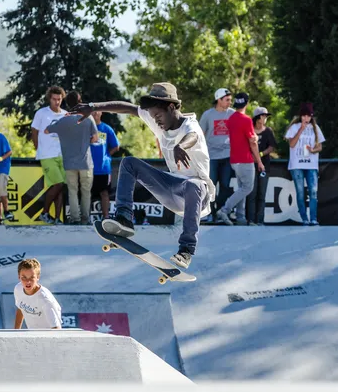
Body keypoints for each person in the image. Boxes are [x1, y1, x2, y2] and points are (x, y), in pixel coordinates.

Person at [72, 82, 215, 269]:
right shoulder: (159, 121)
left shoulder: (190, 126)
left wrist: (182, 146)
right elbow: (127, 108)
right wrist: (93, 107)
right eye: (153, 117)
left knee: (193, 185)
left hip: (198, 198)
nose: (156, 121)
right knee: (129, 163)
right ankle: (124, 218)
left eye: (158, 116)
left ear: (171, 107)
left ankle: (186, 250)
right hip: (173, 191)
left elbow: (193, 137)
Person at [45, 91, 98, 225]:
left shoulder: (64, 120)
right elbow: (95, 138)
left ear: (66, 103)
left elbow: (47, 130)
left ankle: (75, 218)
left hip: (69, 162)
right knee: (86, 192)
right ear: (80, 102)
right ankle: (85, 219)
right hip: (85, 162)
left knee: (72, 192)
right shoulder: (88, 118)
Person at [217, 92, 265, 226]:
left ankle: (240, 218)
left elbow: (242, 136)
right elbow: (252, 142)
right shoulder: (247, 120)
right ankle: (224, 210)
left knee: (241, 188)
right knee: (247, 188)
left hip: (234, 160)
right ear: (247, 104)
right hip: (245, 160)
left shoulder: (231, 119)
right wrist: (259, 161)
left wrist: (253, 136)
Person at [285, 102, 325, 226]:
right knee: (300, 192)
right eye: (304, 116)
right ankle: (304, 218)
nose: (306, 118)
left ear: (311, 116)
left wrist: (313, 150)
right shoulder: (294, 127)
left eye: (308, 116)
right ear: (300, 116)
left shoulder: (315, 128)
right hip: (297, 165)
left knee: (313, 191)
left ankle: (313, 218)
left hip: (311, 165)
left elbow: (320, 147)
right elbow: (291, 144)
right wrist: (301, 129)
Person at [31, 86, 67, 224]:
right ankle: (44, 212)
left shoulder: (65, 114)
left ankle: (58, 218)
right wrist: (38, 148)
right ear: (49, 99)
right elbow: (34, 131)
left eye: (59, 99)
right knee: (57, 184)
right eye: (54, 99)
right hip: (47, 154)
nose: (57, 102)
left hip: (62, 154)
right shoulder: (41, 113)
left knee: (60, 186)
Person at [199, 88, 234, 222]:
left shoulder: (232, 114)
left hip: (228, 156)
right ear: (219, 100)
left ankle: (218, 212)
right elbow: (200, 134)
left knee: (225, 186)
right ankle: (209, 213)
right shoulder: (208, 115)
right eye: (227, 100)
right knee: (210, 186)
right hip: (211, 156)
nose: (230, 102)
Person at [246, 107, 277, 225]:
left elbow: (272, 146)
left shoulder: (268, 131)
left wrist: (260, 154)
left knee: (261, 194)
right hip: (250, 166)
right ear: (258, 117)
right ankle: (250, 220)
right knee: (251, 193)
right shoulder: (249, 130)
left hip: (265, 166)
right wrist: (251, 156)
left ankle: (260, 220)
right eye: (264, 116)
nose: (265, 118)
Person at [14, 258, 62, 329]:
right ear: (19, 277)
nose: (28, 281)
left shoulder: (44, 299)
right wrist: (16, 333)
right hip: (33, 335)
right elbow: (20, 308)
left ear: (38, 277)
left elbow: (56, 328)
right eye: (24, 277)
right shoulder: (18, 289)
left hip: (48, 336)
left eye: (32, 278)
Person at [90, 111, 120, 220]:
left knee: (104, 193)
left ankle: (106, 217)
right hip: (88, 167)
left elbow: (116, 146)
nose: (95, 114)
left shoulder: (106, 128)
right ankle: (86, 218)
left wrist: (107, 155)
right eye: (92, 112)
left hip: (103, 168)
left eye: (97, 111)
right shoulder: (86, 127)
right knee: (87, 193)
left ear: (101, 113)